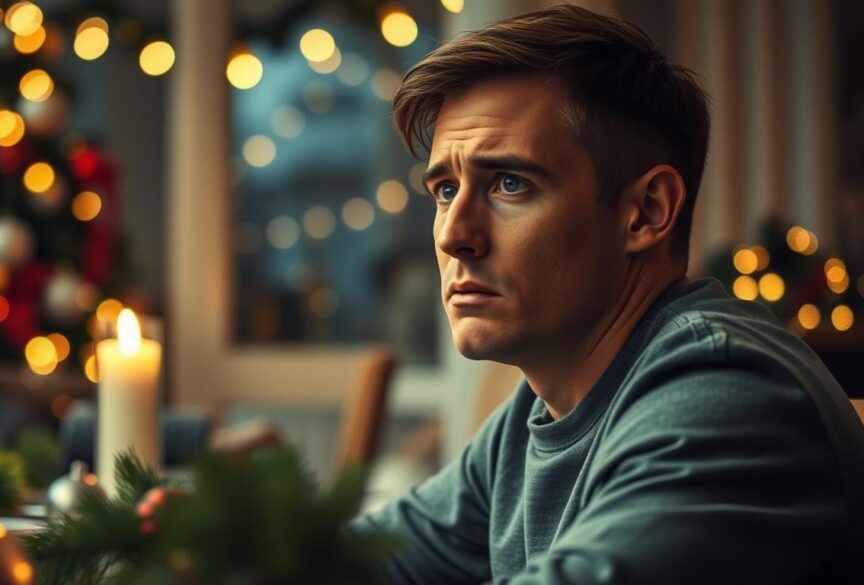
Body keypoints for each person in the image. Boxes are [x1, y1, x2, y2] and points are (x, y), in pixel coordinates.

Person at [352, 5, 864, 584]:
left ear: (645, 212)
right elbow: (350, 562)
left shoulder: (728, 392)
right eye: (445, 189)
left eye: (510, 183)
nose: (452, 234)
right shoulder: (530, 419)